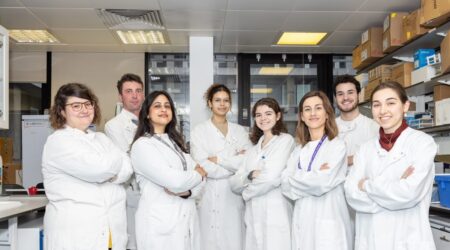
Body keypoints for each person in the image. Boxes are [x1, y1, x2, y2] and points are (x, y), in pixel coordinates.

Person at [344, 81, 437, 250]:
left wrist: (366, 185)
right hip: (370, 240)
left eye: (391, 103)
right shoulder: (365, 149)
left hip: (407, 239)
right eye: (376, 105)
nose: (383, 110)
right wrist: (394, 189)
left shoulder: (422, 143)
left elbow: (409, 193)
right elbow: (351, 195)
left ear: (405, 105)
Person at [42, 83, 132, 250]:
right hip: (77, 235)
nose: (84, 109)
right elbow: (99, 169)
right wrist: (114, 165)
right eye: (75, 106)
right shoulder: (58, 141)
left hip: (111, 234)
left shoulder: (101, 138)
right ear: (62, 111)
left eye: (88, 104)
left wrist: (111, 169)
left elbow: (127, 169)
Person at [130, 91, 207, 250]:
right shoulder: (143, 145)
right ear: (147, 114)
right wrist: (197, 174)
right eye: (157, 106)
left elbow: (201, 182)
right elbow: (174, 181)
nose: (163, 109)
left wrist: (188, 192)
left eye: (167, 106)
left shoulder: (176, 143)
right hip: (160, 224)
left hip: (185, 219)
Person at [281, 90, 352, 250]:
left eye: (318, 108)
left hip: (329, 224)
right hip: (302, 222)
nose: (313, 113)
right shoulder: (298, 150)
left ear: (327, 113)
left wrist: (296, 178)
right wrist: (312, 177)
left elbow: (321, 183)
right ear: (302, 116)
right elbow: (285, 185)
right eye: (307, 109)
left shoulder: (337, 145)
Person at [190, 84, 251, 250]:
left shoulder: (240, 131)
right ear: (210, 103)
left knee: (234, 240)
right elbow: (203, 166)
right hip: (208, 193)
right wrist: (233, 161)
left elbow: (247, 163)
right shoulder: (199, 131)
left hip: (234, 194)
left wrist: (218, 160)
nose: (222, 104)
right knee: (207, 240)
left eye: (226, 100)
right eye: (217, 100)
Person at [229, 97, 295, 250]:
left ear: (278, 116)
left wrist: (246, 192)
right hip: (253, 215)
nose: (263, 118)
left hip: (276, 212)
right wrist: (250, 175)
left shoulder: (285, 141)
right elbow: (233, 183)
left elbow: (270, 178)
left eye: (268, 113)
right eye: (258, 115)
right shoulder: (252, 150)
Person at [105, 73, 145, 250]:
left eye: (138, 91)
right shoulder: (113, 126)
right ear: (121, 97)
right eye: (129, 91)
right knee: (134, 243)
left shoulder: (151, 120)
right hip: (132, 193)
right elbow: (128, 160)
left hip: (154, 193)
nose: (135, 95)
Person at [334, 74, 378, 167]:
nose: (345, 97)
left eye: (350, 92)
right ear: (335, 98)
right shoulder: (328, 128)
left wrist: (341, 161)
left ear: (359, 95)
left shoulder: (374, 127)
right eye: (340, 94)